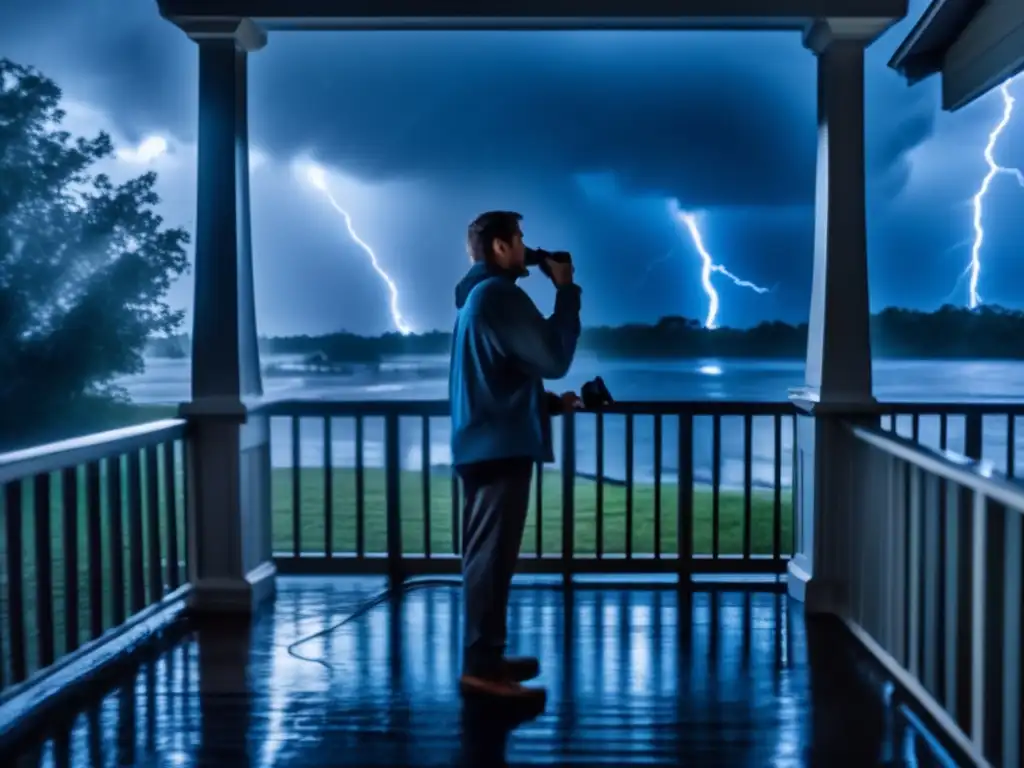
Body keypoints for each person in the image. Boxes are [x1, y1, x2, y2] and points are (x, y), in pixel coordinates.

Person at [449, 210, 582, 703]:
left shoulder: (478, 299)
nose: (527, 246)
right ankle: (481, 669)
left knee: (492, 559)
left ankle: (489, 656)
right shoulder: (500, 296)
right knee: (489, 559)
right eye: (520, 238)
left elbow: (497, 378)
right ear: (500, 247)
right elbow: (553, 358)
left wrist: (549, 405)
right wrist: (566, 291)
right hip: (498, 449)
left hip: (489, 443)